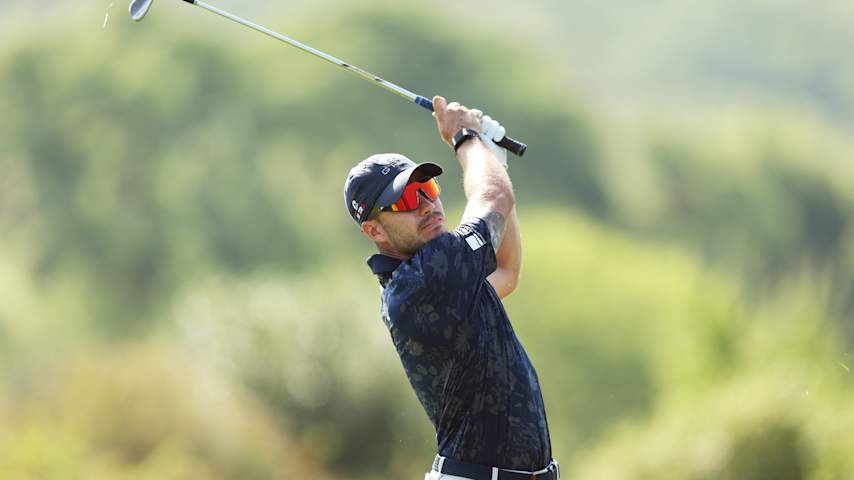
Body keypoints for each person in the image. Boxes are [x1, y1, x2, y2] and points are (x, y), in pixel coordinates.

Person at [343, 97, 558, 480]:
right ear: (375, 230)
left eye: (427, 187)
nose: (427, 205)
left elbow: (507, 271)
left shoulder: (439, 279)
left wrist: (495, 161)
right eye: (407, 199)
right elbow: (493, 198)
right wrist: (464, 138)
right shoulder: (422, 281)